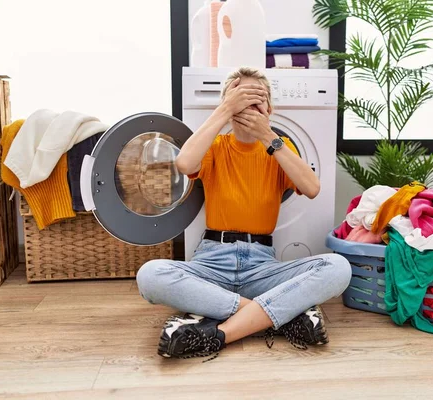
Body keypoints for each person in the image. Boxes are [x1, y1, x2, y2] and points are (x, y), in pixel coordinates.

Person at [136, 66, 351, 361]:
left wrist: (267, 135)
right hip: (212, 262)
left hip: (263, 266)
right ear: (227, 105)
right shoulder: (215, 146)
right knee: (150, 275)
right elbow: (184, 164)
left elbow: (312, 188)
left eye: (255, 100)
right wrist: (225, 109)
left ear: (269, 108)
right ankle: (276, 316)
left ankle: (220, 333)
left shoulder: (279, 149)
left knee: (338, 267)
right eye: (240, 98)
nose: (246, 106)